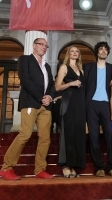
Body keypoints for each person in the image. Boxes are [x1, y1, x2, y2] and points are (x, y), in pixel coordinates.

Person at [0, 38, 55, 180]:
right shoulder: (25, 60)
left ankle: (40, 170)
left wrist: (49, 96)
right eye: (41, 44)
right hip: (31, 102)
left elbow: (52, 85)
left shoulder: (47, 66)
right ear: (34, 46)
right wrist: (41, 97)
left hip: (45, 106)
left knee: (45, 138)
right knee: (25, 134)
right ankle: (6, 168)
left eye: (46, 46)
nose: (44, 47)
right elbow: (25, 79)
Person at [84, 41, 112, 177]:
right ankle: (99, 167)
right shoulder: (88, 67)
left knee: (109, 134)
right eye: (101, 49)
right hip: (91, 103)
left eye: (105, 50)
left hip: (106, 104)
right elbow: (84, 88)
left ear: (108, 52)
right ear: (97, 51)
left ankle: (111, 166)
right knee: (93, 135)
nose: (103, 51)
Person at [55, 45, 86, 178]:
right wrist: (70, 84)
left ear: (79, 54)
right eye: (72, 51)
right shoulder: (64, 67)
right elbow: (57, 87)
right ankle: (66, 165)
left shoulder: (81, 70)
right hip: (69, 104)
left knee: (78, 134)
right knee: (69, 133)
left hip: (80, 104)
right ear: (68, 54)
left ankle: (73, 165)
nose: (74, 53)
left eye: (76, 51)